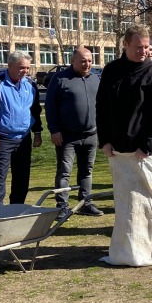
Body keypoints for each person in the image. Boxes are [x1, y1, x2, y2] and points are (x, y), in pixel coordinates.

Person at [96, 28, 152, 266]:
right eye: (138, 47)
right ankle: (122, 252)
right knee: (124, 204)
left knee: (145, 202)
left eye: (147, 47)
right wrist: (105, 140)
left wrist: (147, 146)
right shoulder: (111, 71)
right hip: (117, 150)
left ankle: (143, 252)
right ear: (125, 45)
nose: (143, 51)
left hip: (143, 152)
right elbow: (102, 107)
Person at [46, 46, 103, 220]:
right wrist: (54, 130)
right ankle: (62, 206)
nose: (87, 64)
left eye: (90, 61)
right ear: (73, 61)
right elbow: (50, 107)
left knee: (87, 171)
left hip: (91, 135)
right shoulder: (60, 79)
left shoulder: (96, 79)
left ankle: (85, 202)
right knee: (64, 171)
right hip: (67, 136)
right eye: (83, 61)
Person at [0, 51, 42, 207]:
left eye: (27, 68)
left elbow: (35, 111)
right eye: (21, 67)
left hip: (24, 138)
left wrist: (37, 132)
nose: (25, 71)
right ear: (10, 65)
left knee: (22, 177)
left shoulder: (30, 84)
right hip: (2, 138)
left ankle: (16, 208)